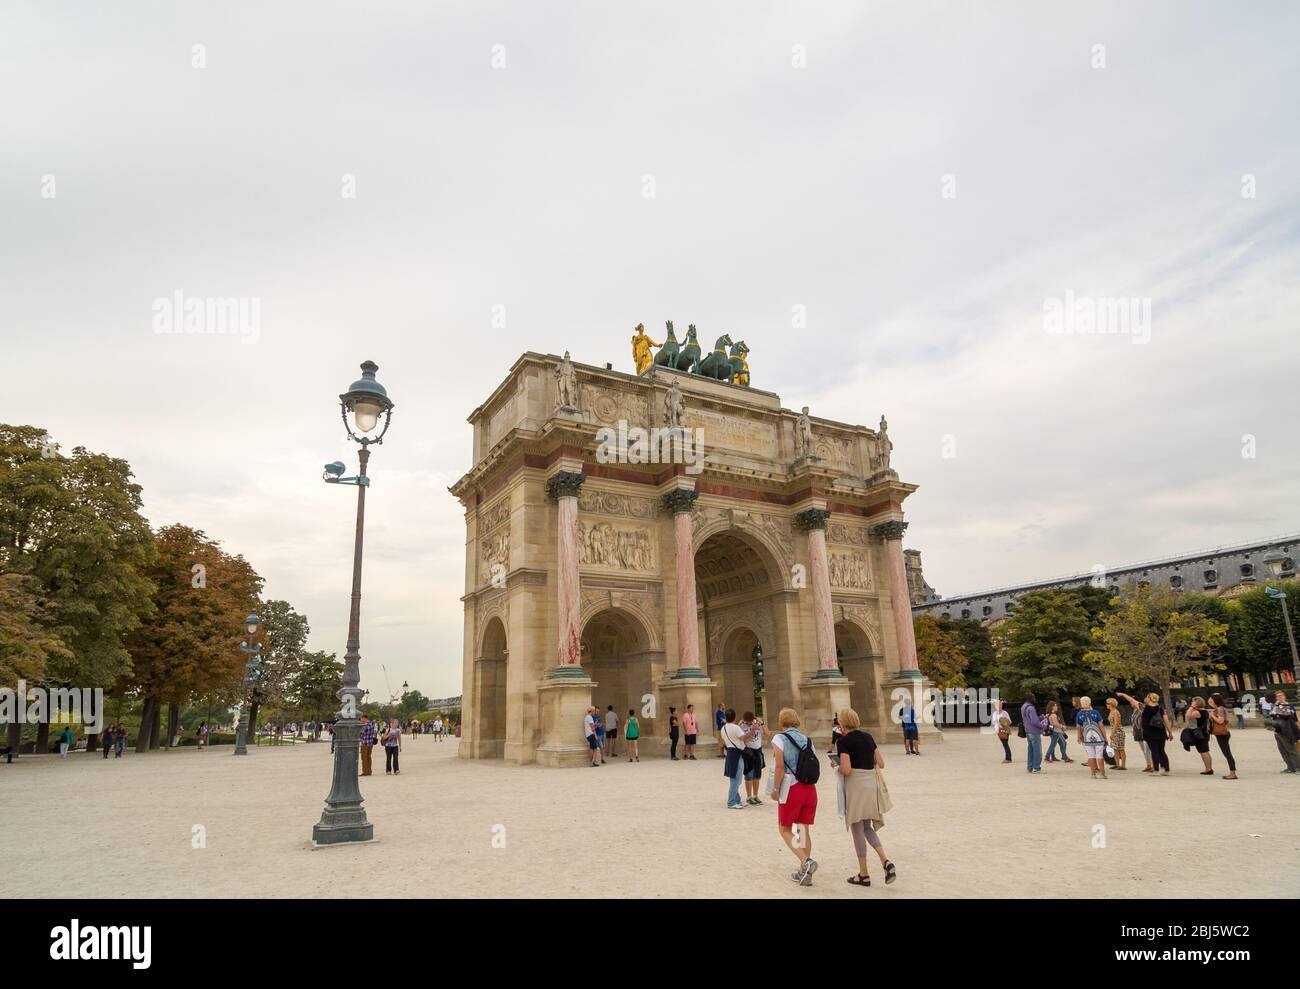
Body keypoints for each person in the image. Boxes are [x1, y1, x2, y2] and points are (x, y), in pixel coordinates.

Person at [834, 707, 896, 888]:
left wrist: (836, 764)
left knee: (857, 830)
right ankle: (886, 861)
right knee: (868, 828)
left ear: (842, 723)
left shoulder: (843, 742)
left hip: (856, 787)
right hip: (871, 786)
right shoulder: (868, 737)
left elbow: (846, 769)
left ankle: (864, 874)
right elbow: (881, 763)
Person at [770, 708, 818, 886]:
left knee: (784, 829)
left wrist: (775, 788)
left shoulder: (779, 738)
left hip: (792, 788)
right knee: (803, 830)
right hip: (810, 789)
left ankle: (806, 862)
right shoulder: (807, 739)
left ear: (782, 721)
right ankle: (804, 873)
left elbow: (780, 766)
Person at [1116, 691, 1153, 772]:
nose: (1130, 704)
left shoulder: (1142, 707)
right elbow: (1134, 721)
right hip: (1138, 732)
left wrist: (1122, 694)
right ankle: (1149, 765)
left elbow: (1132, 700)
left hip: (1144, 731)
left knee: (1148, 750)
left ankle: (1152, 765)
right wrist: (1134, 730)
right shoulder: (1135, 710)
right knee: (1144, 750)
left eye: (1131, 702)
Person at [721, 709, 749, 808]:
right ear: (735, 717)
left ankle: (736, 799)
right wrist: (753, 730)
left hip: (730, 753)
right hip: (737, 754)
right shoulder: (736, 727)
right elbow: (744, 738)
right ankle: (731, 801)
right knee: (736, 779)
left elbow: (724, 741)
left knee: (735, 778)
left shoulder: (723, 728)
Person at [1266, 691, 1300, 774]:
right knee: (1283, 750)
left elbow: (1286, 715)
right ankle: (1290, 767)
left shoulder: (1282, 704)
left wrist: (1275, 715)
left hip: (1285, 730)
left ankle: (1298, 767)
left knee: (1291, 749)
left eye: (1267, 697)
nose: (1265, 699)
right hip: (1277, 730)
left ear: (1272, 698)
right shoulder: (1273, 705)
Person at [1139, 693, 1172, 775]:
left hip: (1150, 733)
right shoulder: (1160, 708)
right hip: (1161, 732)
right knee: (1162, 751)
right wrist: (1170, 732)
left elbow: (1143, 724)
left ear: (1149, 698)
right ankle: (1166, 769)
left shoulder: (1146, 709)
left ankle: (1156, 770)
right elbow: (1166, 720)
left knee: (1154, 751)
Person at [1074, 696, 1107, 779]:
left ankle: (1093, 774)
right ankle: (1102, 774)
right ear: (1090, 703)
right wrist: (1105, 737)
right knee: (1099, 755)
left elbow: (1078, 727)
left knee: (1091, 755)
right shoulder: (1096, 712)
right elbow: (1101, 725)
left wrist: (1079, 736)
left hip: (1087, 737)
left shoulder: (1079, 714)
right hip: (1098, 736)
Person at [1181, 697, 1214, 775]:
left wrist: (1192, 707)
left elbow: (1188, 716)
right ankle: (1208, 768)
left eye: (1193, 701)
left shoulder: (1197, 712)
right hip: (1204, 732)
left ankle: (1209, 769)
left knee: (1204, 751)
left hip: (1199, 733)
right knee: (1204, 750)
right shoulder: (1205, 711)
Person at [1208, 692, 1237, 780]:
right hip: (1222, 733)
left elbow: (1221, 721)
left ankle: (1233, 773)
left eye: (1211, 700)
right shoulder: (1220, 708)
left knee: (1227, 753)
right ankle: (1232, 772)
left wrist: (1212, 715)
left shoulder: (1220, 709)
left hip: (1222, 734)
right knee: (1226, 753)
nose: (1209, 701)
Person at [1020, 693, 1047, 773]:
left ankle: (1030, 767)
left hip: (1027, 731)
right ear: (1031, 698)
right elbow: (1034, 722)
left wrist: (1041, 717)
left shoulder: (1023, 706)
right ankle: (1036, 767)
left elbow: (1029, 719)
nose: (1034, 699)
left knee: (1030, 750)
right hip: (1034, 731)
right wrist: (1044, 726)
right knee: (1037, 750)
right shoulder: (1031, 708)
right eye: (1034, 697)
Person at [742, 711, 765, 804]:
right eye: (747, 722)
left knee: (757, 775)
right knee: (749, 775)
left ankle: (755, 795)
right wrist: (752, 730)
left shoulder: (758, 724)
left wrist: (762, 724)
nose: (748, 724)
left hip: (758, 751)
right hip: (748, 752)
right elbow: (745, 739)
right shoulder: (742, 727)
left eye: (750, 722)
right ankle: (749, 796)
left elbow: (768, 733)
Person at [1105, 698, 1127, 770]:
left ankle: (1123, 765)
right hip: (1114, 732)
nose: (1106, 705)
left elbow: (1116, 723)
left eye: (1107, 703)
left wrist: (1113, 733)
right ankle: (1117, 764)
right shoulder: (1111, 711)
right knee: (1115, 749)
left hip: (1118, 732)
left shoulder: (1115, 712)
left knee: (1121, 748)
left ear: (1111, 704)